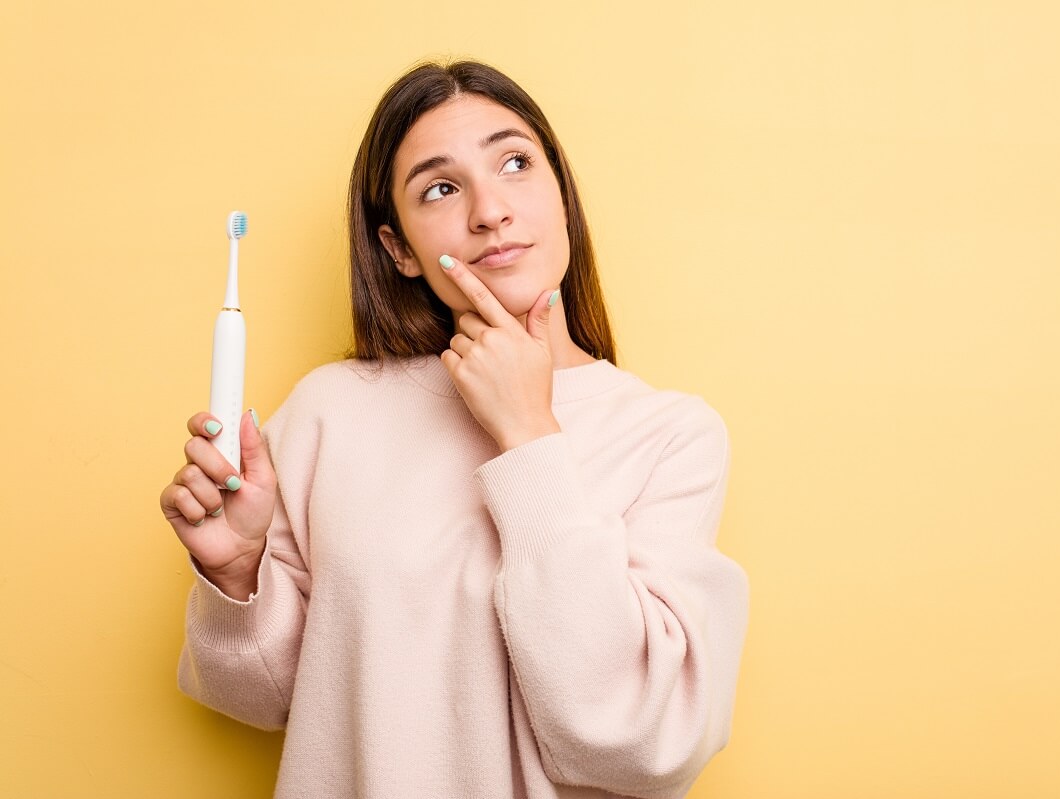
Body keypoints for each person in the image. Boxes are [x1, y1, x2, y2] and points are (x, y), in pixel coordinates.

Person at [159, 59, 750, 799]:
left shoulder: (670, 434)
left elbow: (641, 739)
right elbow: (265, 700)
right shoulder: (330, 412)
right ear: (398, 248)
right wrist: (238, 572)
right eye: (441, 187)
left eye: (515, 163)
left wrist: (529, 434)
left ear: (562, 199)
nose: (490, 210)